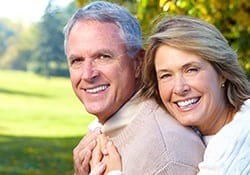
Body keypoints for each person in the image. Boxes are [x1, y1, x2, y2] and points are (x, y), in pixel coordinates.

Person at [64, 1, 205, 175]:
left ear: (138, 63)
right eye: (77, 60)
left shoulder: (167, 155)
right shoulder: (104, 132)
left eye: (103, 57)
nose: (87, 74)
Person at [142, 15, 250, 174]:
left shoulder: (238, 136)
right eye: (166, 75)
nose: (179, 88)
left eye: (191, 70)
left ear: (222, 73)